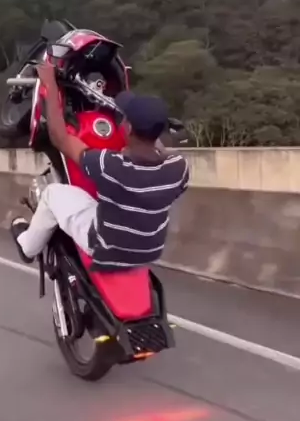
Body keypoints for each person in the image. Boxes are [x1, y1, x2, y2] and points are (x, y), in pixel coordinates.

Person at [10, 62, 189, 271]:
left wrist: (49, 84)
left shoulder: (110, 166)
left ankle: (28, 248)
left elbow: (60, 138)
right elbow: (158, 153)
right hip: (150, 249)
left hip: (105, 246)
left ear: (128, 127)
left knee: (52, 193)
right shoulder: (178, 168)